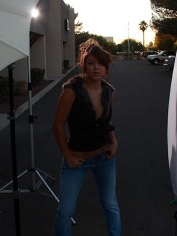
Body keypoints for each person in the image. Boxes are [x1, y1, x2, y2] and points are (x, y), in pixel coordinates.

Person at [52, 38, 121, 236]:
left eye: (101, 64)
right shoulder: (71, 91)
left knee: (110, 205)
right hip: (77, 159)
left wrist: (114, 142)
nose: (96, 68)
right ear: (84, 66)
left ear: (106, 68)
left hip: (104, 158)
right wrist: (67, 156)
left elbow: (105, 123)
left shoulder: (109, 91)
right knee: (65, 211)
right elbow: (57, 126)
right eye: (91, 63)